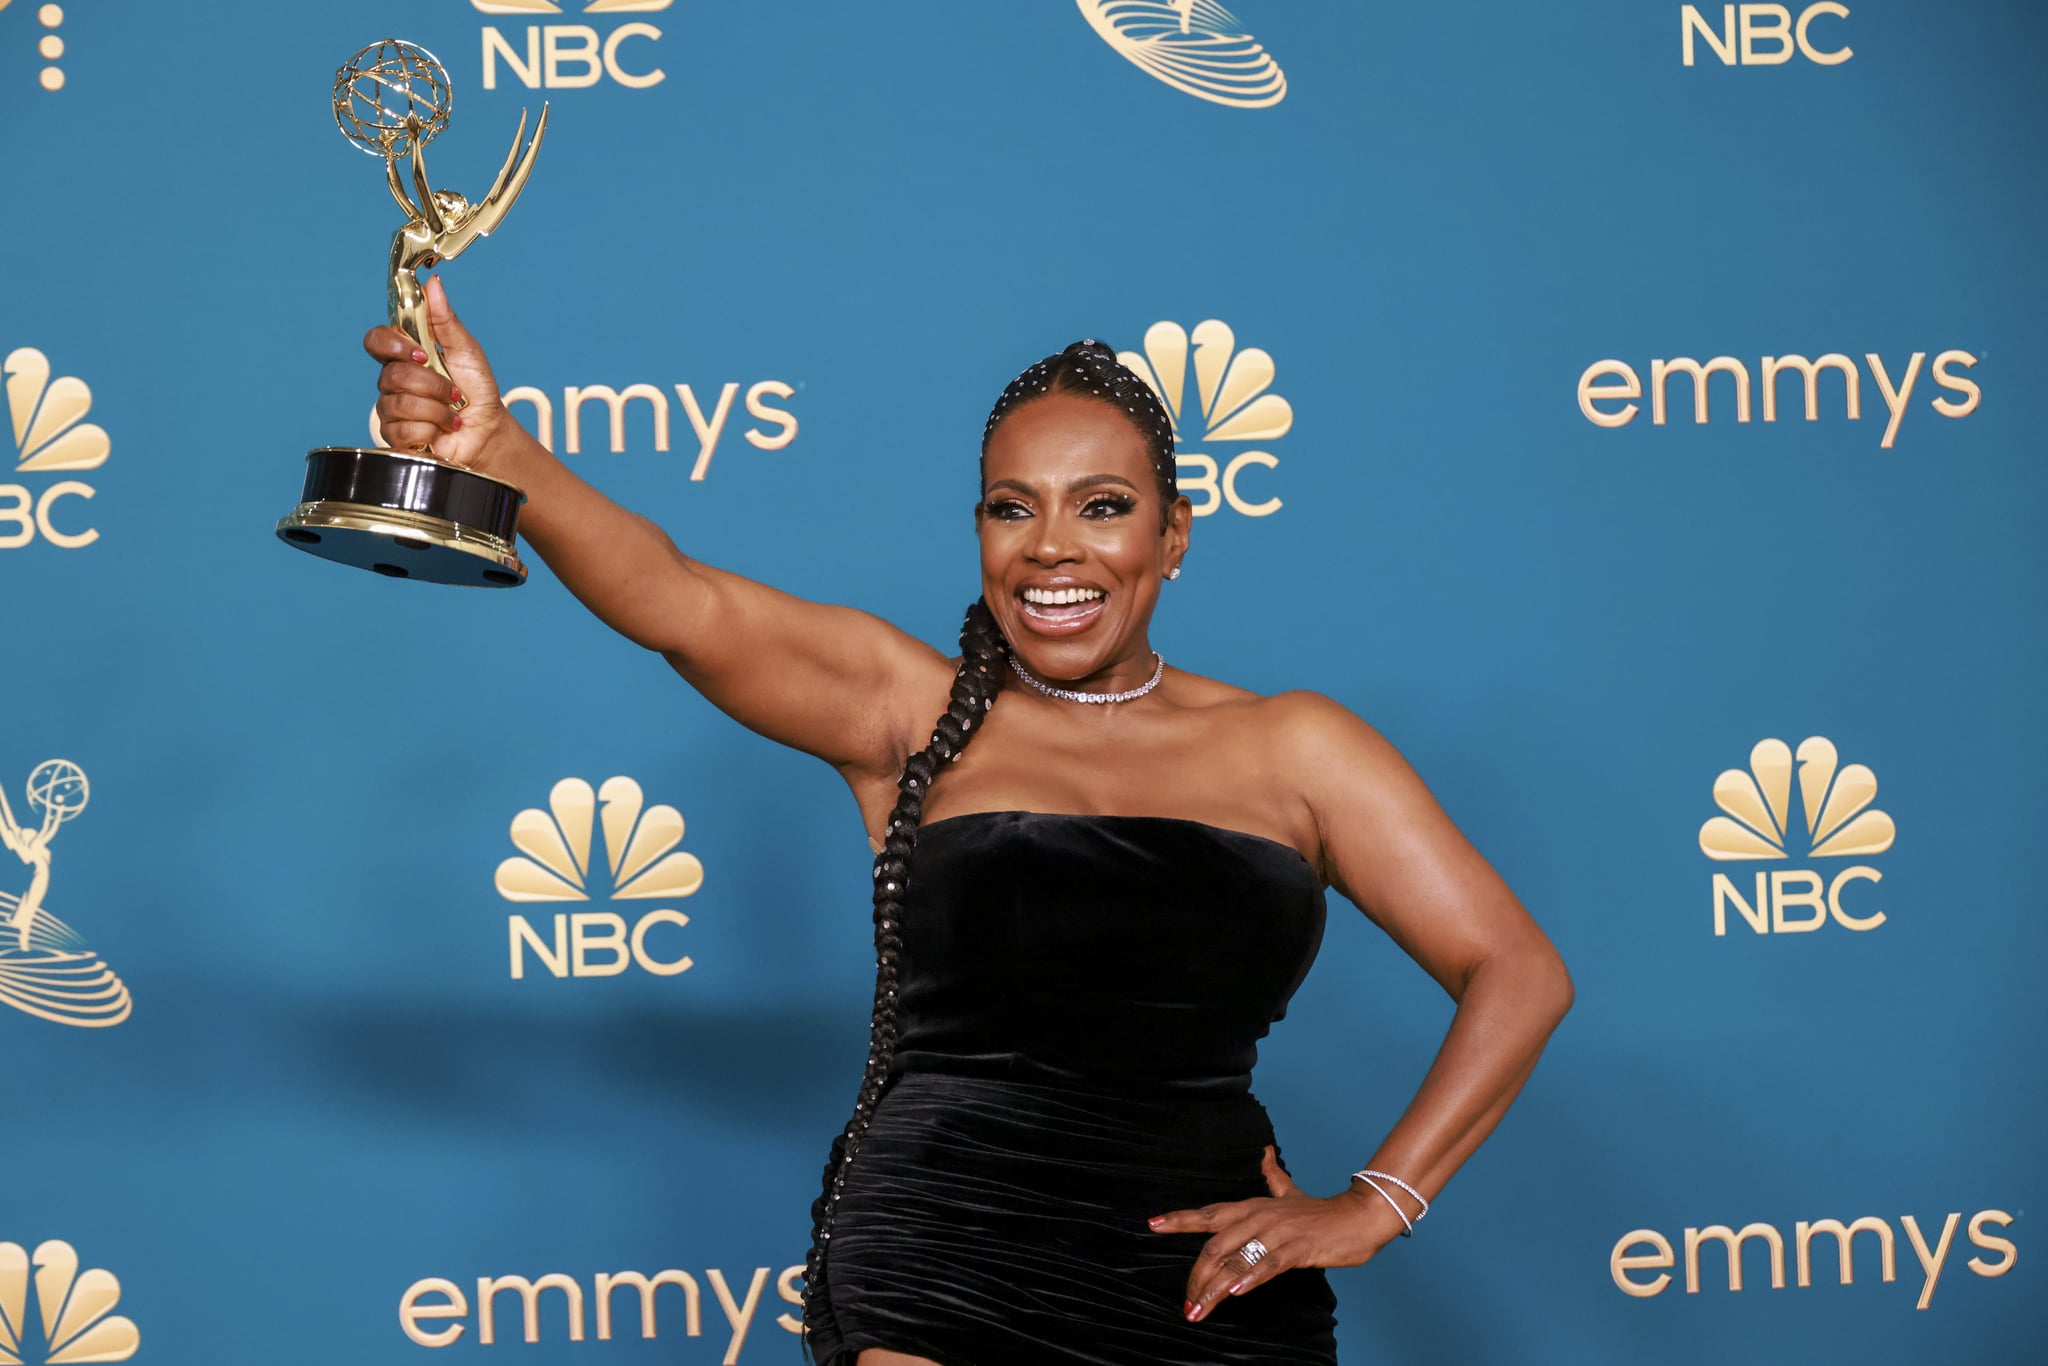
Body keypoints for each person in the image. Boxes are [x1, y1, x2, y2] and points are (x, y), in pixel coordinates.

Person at [365, 278, 1575, 1366]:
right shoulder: (910, 708)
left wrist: (1377, 1200)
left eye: (1101, 507)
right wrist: (503, 453)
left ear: (1173, 534)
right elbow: (683, 602)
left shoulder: (1298, 747)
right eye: (1012, 508)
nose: (1053, 548)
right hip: (940, 1256)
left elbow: (1514, 969)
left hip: (1206, 1281)